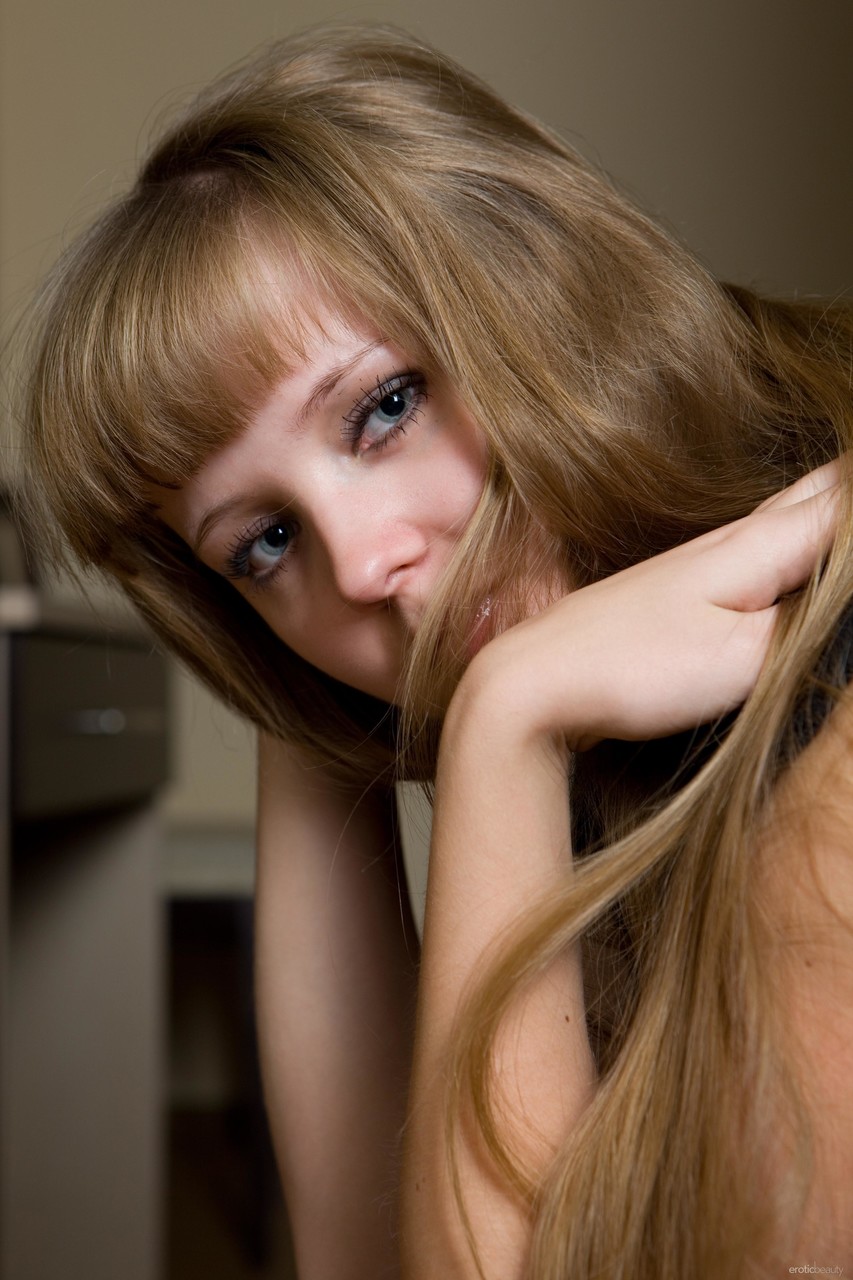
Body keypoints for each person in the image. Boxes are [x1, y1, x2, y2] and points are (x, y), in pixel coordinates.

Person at [18, 23, 853, 1279]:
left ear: (532, 281)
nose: (359, 565)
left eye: (384, 407)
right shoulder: (576, 652)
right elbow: (366, 1251)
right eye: (264, 542)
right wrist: (369, 708)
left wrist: (506, 714)